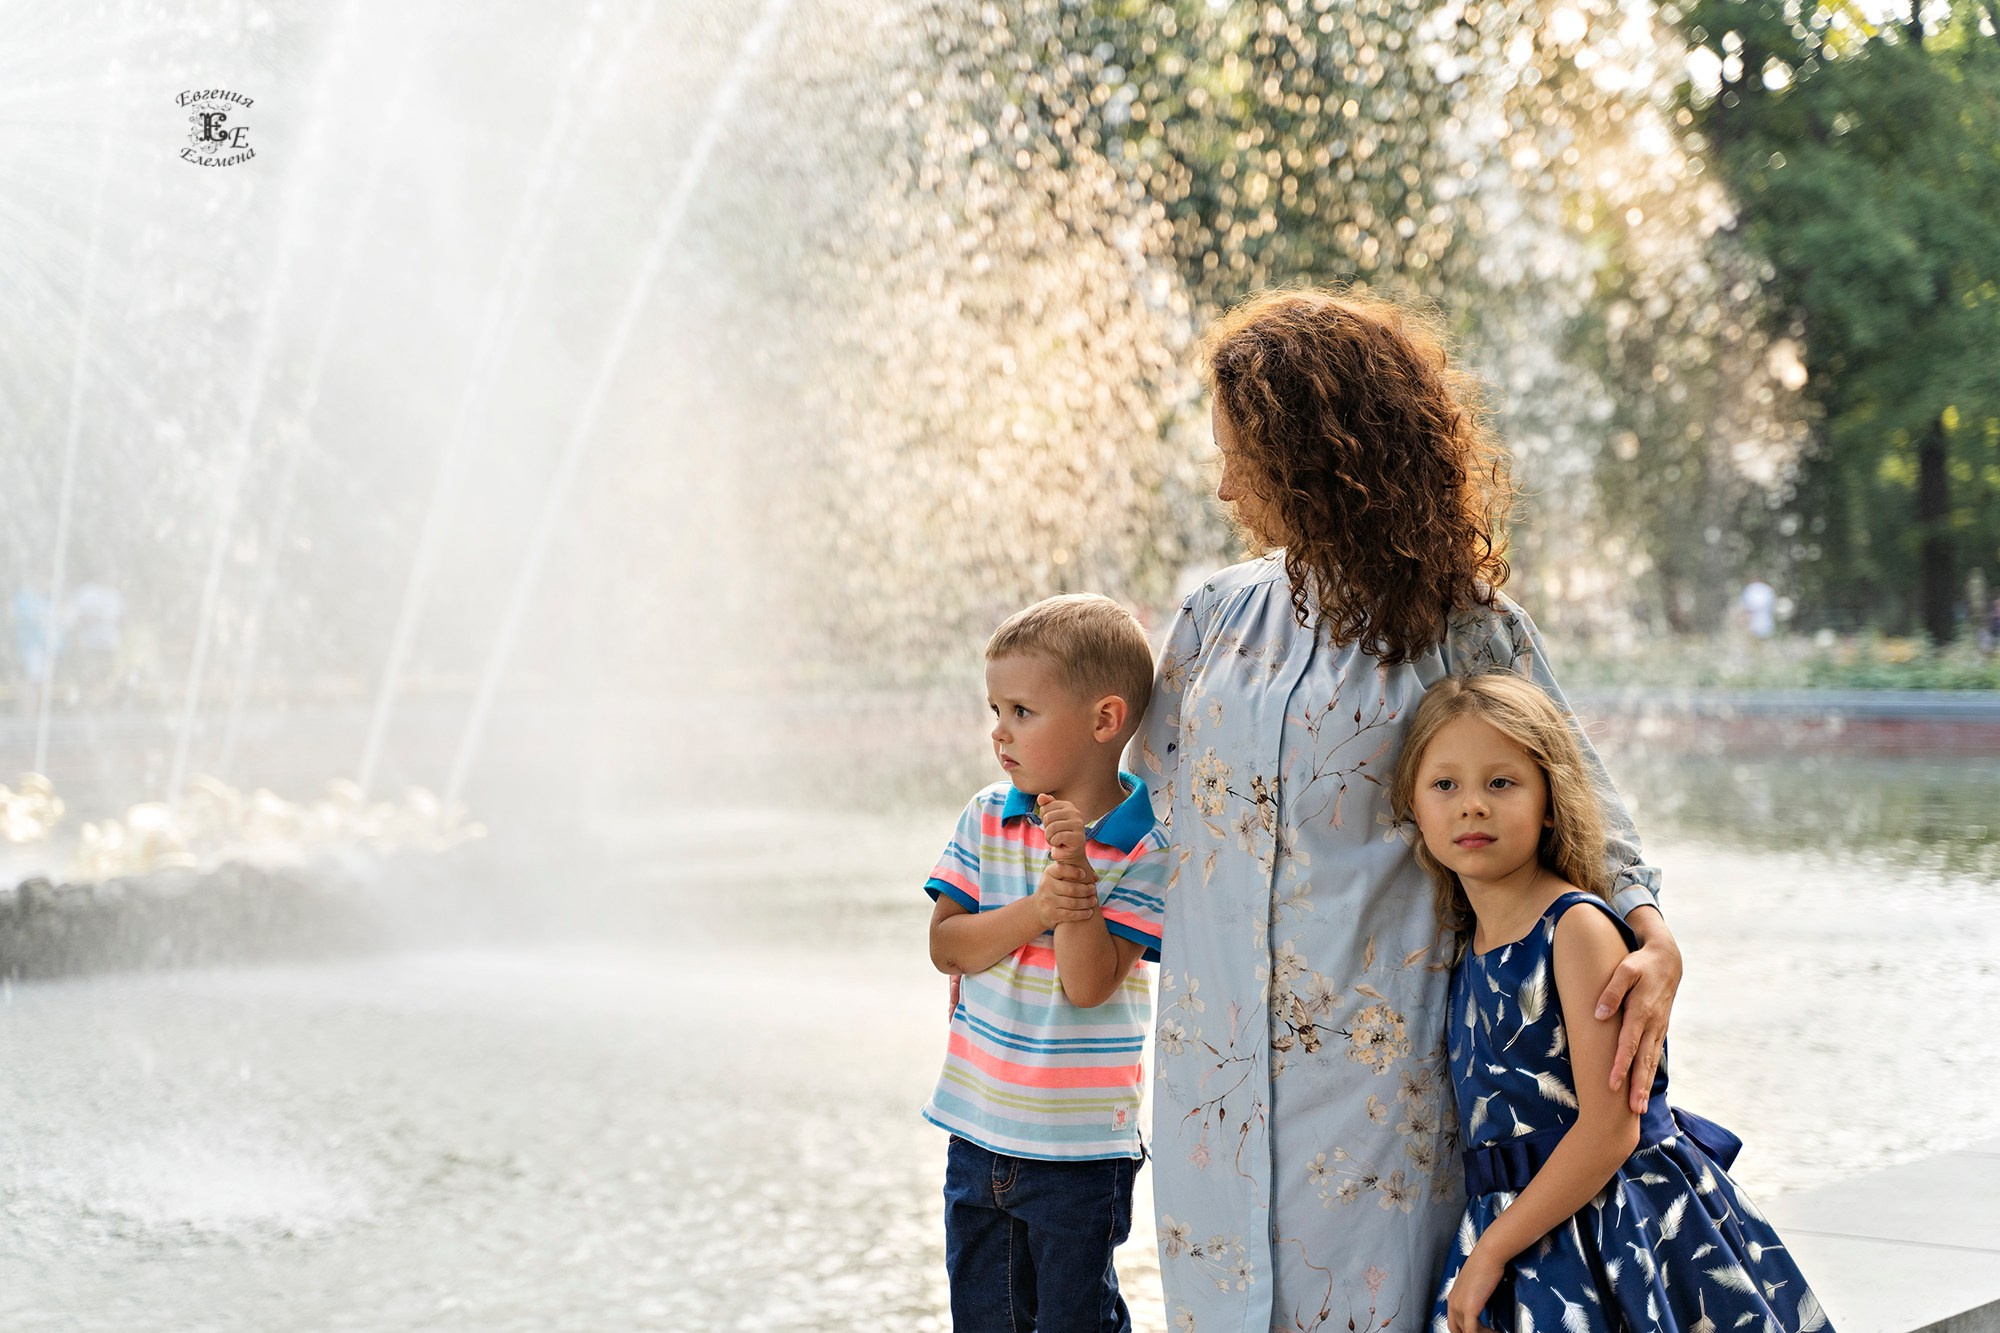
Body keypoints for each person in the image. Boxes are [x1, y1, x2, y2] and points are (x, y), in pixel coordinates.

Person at [1134, 288, 1682, 1331]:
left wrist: (1651, 937)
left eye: (1236, 454)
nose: (1219, 485)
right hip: (1210, 1091)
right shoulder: (1210, 619)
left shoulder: (1460, 625)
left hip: (1377, 1098)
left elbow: (1580, 806)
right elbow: (1150, 813)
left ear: (1305, 451)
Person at [1392, 671, 1831, 1332]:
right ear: (1414, 805)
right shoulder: (1465, 942)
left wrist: (1491, 1252)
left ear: (1548, 799)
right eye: (1445, 784)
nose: (1472, 805)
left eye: (1501, 782)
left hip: (1614, 1227)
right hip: (1528, 1233)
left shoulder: (1574, 929)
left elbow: (1611, 1127)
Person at [922, 593, 1171, 1333]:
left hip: (1078, 1149)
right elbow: (947, 945)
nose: (1000, 732)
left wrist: (1076, 872)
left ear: (1104, 720)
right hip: (976, 1133)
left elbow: (1089, 983)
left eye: (1022, 712)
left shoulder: (1141, 846)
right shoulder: (986, 815)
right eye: (995, 709)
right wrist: (1037, 909)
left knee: (1076, 1321)